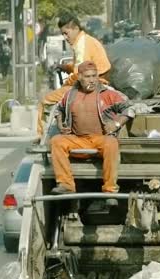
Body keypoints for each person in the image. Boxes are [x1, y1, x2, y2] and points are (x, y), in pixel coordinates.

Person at [50, 61, 134, 206]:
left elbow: (130, 109)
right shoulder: (70, 95)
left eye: (94, 76)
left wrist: (116, 124)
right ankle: (66, 185)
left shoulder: (108, 93)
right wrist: (60, 124)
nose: (92, 80)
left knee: (112, 143)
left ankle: (110, 191)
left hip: (100, 139)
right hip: (78, 140)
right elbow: (58, 109)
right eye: (88, 76)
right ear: (79, 77)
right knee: (57, 141)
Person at [37, 13, 111, 136]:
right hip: (95, 81)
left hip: (91, 83)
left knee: (44, 101)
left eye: (66, 33)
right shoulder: (85, 41)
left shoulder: (82, 44)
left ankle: (41, 137)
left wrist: (66, 84)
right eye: (63, 34)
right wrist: (65, 67)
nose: (65, 37)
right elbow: (80, 65)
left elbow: (79, 74)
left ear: (76, 28)